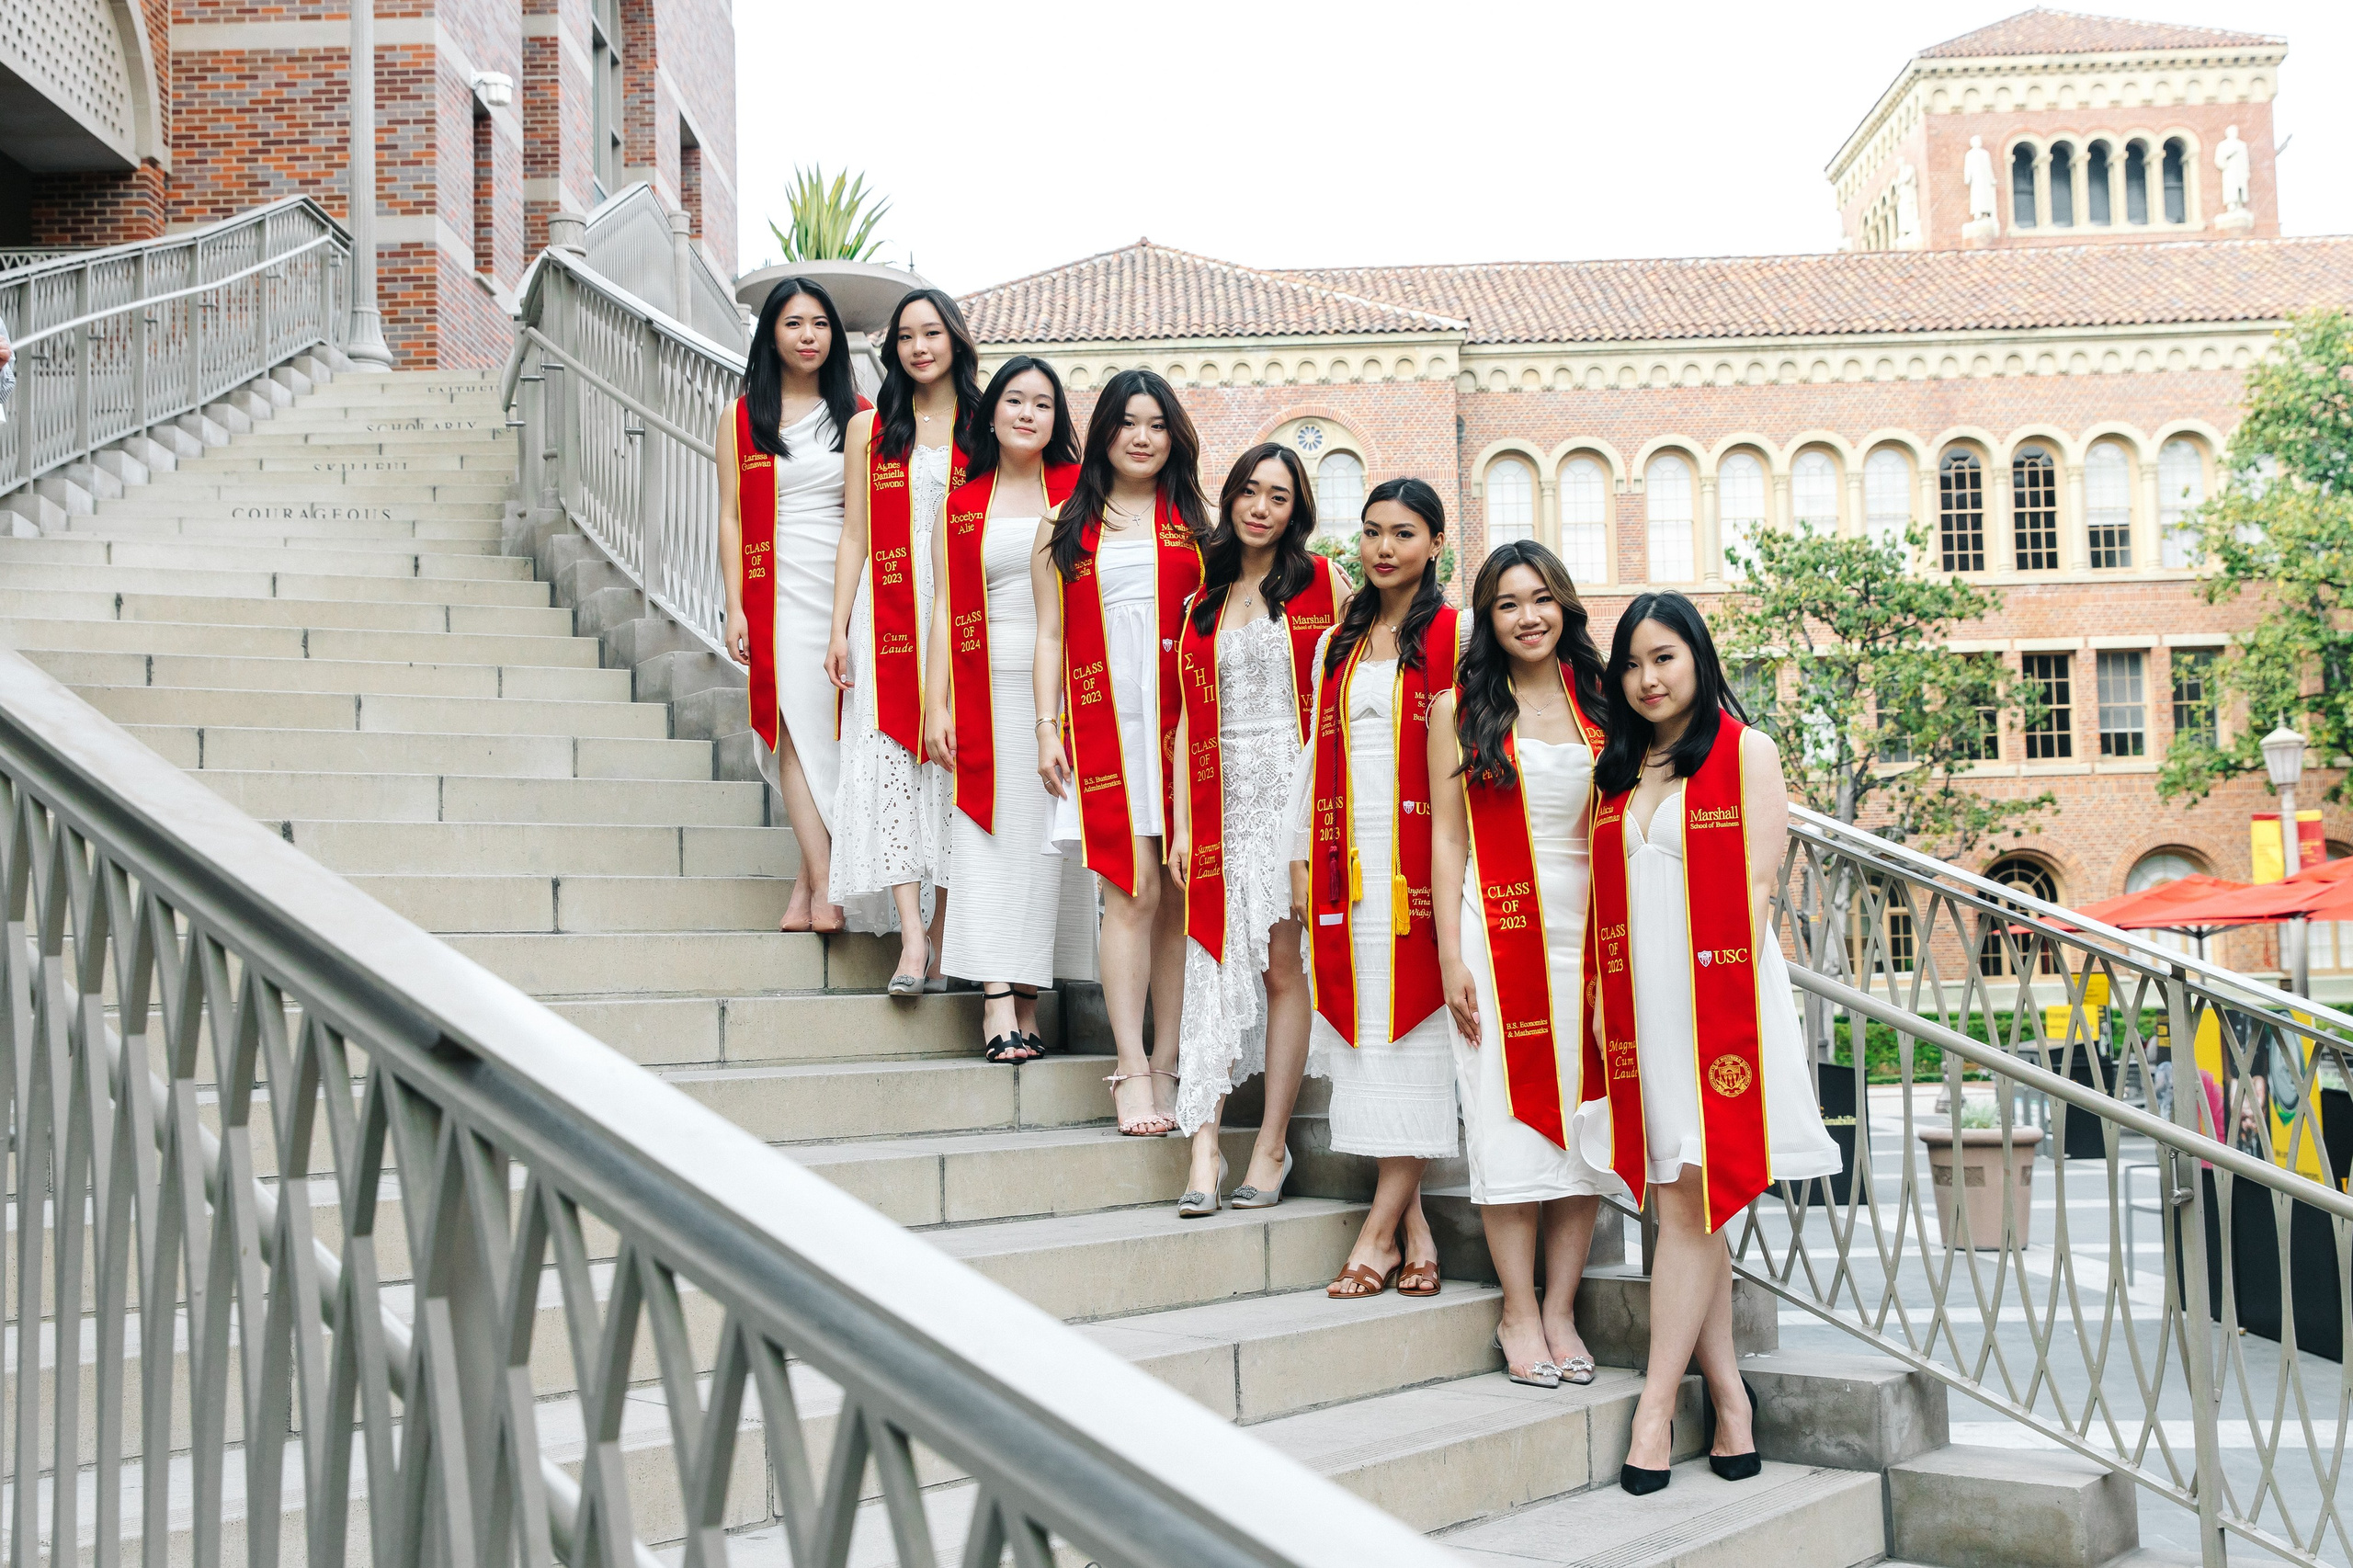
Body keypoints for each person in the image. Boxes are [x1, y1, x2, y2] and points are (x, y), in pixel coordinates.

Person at [1574, 590, 1840, 1494]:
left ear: (1697, 657)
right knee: (1685, 1205)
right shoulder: (1616, 770)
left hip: (1715, 1003)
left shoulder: (1744, 750)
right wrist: (1603, 1006)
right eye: (1632, 664)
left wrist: (1709, 1016)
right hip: (1639, 1006)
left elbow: (1757, 888)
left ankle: (1655, 1411)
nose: (1647, 678)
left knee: (1689, 1205)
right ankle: (1730, 1398)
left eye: (1664, 658)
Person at [1430, 540, 1619, 1391]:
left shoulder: (1602, 701)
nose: (1528, 616)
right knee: (1505, 1123)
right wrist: (1448, 955)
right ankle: (1517, 1309)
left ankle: (1561, 1309)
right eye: (1508, 604)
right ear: (1488, 618)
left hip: (1591, 938)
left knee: (1582, 1125)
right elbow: (1446, 839)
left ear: (1564, 606)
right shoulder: (1459, 708)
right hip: (1495, 933)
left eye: (1541, 598)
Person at [1290, 478, 1459, 1295]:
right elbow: (1311, 755)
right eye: (1371, 532)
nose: (1384, 549)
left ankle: (1375, 1234)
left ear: (1435, 543)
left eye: (1403, 533)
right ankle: (1416, 1234)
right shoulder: (1338, 642)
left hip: (1424, 864)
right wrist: (1300, 855)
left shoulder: (1458, 635)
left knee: (1416, 1045)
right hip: (1347, 862)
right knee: (1371, 1049)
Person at [1167, 445, 1344, 1214]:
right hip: (1219, 797)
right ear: (1230, 497)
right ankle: (1203, 1146)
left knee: (1280, 966)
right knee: (1209, 960)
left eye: (1278, 495)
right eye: (1249, 490)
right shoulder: (1201, 602)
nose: (1261, 507)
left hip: (1291, 793)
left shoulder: (1321, 583)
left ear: (1295, 509)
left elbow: (1341, 697)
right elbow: (1184, 721)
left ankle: (1271, 1145)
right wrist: (1181, 824)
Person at [1031, 369, 1207, 1135]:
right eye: (1128, 422)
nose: (1142, 437)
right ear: (1103, 430)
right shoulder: (1066, 523)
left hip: (1180, 730)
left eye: (1157, 424)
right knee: (1130, 893)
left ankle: (1170, 1060)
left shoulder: (1195, 524)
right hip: (1107, 729)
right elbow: (1049, 635)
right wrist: (1046, 725)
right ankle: (1130, 1065)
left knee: (1177, 897)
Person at [926, 358, 1081, 1060]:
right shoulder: (962, 505)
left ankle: (1029, 994)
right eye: (1014, 400)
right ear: (990, 415)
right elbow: (943, 608)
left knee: (1045, 847)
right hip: (983, 687)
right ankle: (995, 1000)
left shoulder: (1079, 493)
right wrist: (936, 703)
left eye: (1042, 404)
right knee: (987, 840)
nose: (1027, 413)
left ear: (1056, 420)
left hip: (1063, 693)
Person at [824, 289, 978, 989]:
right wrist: (838, 627)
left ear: (955, 339)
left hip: (962, 610)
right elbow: (854, 533)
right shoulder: (871, 429)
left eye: (932, 333)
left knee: (949, 766)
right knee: (890, 760)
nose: (919, 347)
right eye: (907, 337)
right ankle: (912, 940)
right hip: (887, 609)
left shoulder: (984, 425)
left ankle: (944, 937)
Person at [718, 278, 860, 934]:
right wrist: (734, 606)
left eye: (821, 324)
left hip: (841, 588)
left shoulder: (858, 415)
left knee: (831, 733)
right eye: (795, 323)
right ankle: (827, 883)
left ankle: (806, 889)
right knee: (794, 729)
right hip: (774, 589)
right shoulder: (742, 417)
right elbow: (730, 517)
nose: (809, 336)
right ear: (771, 333)